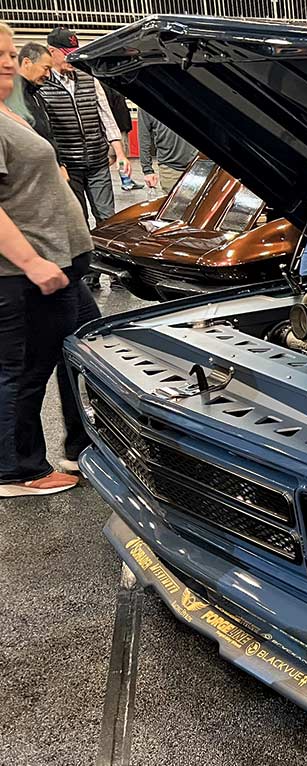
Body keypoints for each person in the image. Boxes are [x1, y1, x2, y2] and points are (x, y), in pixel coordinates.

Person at [0, 22, 96, 496]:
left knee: (84, 350)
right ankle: (17, 471)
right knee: (25, 369)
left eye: (8, 51)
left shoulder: (8, 111)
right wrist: (34, 262)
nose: (6, 60)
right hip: (27, 272)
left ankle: (82, 444)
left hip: (62, 263)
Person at [38, 26, 131, 226]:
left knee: (108, 219)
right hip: (69, 167)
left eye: (74, 54)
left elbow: (106, 116)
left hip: (98, 163)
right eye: (67, 55)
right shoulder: (43, 86)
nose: (72, 59)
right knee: (78, 221)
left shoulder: (90, 79)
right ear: (51, 51)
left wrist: (120, 154)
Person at [137, 107, 197, 195]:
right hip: (170, 169)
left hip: (200, 166)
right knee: (175, 207)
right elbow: (144, 139)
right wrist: (147, 170)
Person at [105, 86, 141, 191]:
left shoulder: (112, 88)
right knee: (115, 156)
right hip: (117, 127)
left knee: (120, 156)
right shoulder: (106, 87)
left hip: (121, 126)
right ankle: (126, 181)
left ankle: (127, 180)